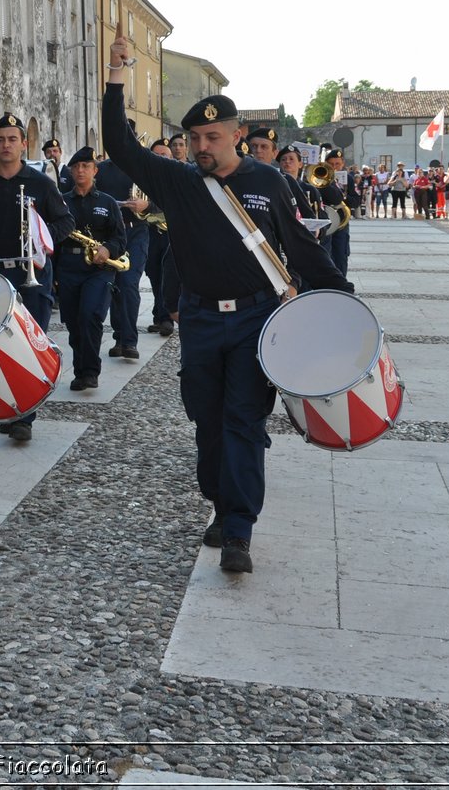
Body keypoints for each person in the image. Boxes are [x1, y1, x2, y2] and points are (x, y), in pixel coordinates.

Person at [102, 35, 351, 575]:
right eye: (194, 138)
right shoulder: (181, 181)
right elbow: (120, 148)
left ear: (238, 135)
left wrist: (343, 302)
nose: (202, 147)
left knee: (242, 418)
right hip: (199, 319)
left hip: (257, 319)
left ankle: (238, 528)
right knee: (207, 419)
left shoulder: (269, 181)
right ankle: (219, 499)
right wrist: (117, 74)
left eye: (212, 137)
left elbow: (303, 248)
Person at [0, 113, 73, 440]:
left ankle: (25, 416)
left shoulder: (41, 183)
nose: (6, 145)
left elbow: (65, 222)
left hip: (34, 273)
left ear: (24, 144)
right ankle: (10, 405)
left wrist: (42, 238)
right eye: (0, 140)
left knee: (30, 344)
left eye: (12, 139)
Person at [59, 147, 126, 392]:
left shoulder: (107, 202)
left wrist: (107, 249)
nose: (80, 170)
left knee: (90, 316)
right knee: (74, 322)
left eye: (85, 166)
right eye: (76, 167)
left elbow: (120, 238)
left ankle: (89, 372)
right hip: (68, 267)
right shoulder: (60, 201)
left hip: (99, 269)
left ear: (95, 170)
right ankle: (80, 369)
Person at [97, 122, 155, 364]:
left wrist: (147, 206)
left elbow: (165, 200)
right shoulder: (100, 170)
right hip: (110, 235)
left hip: (136, 232)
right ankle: (120, 336)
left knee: (129, 283)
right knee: (115, 286)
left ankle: (129, 340)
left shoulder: (146, 167)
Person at [144, 137, 176, 337]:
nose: (160, 159)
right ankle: (159, 315)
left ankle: (167, 318)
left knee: (168, 275)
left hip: (171, 233)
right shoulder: (144, 178)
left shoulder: (176, 178)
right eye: (156, 155)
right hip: (149, 233)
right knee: (153, 275)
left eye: (164, 155)